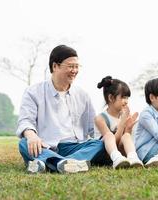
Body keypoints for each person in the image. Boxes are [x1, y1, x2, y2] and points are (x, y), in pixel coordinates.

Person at [16, 45, 110, 173]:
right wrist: (32, 136)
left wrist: (110, 135)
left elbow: (93, 127)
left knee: (100, 144)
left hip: (74, 146)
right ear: (55, 66)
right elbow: (25, 121)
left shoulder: (82, 95)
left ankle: (49, 163)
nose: (74, 70)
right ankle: (67, 163)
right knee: (24, 143)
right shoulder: (33, 92)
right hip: (45, 146)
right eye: (71, 66)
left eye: (77, 67)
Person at [94, 76, 143, 169]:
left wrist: (128, 128)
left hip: (121, 154)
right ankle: (117, 159)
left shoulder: (124, 115)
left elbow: (123, 140)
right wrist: (122, 123)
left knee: (127, 136)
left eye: (127, 98)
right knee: (109, 135)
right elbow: (114, 141)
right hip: (105, 153)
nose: (126, 101)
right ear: (111, 98)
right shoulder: (100, 118)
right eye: (123, 97)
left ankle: (133, 158)